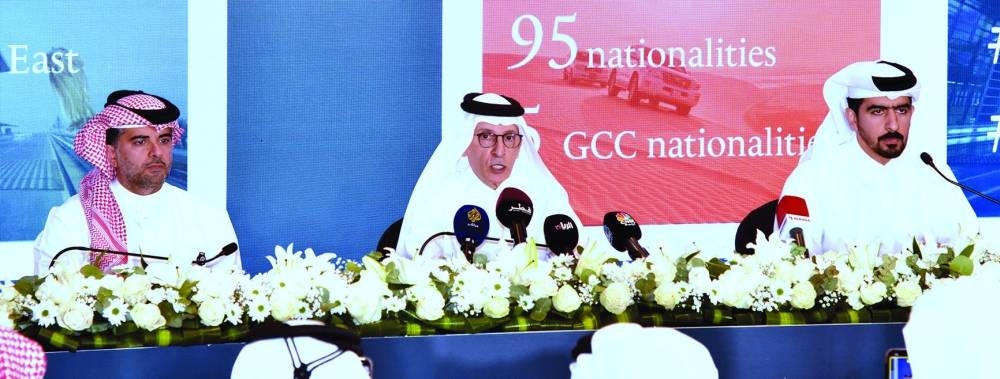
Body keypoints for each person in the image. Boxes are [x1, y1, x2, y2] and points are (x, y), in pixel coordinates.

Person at [778, 60, 978, 255]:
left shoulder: (933, 172)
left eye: (901, 110)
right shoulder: (811, 178)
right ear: (852, 117)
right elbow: (796, 260)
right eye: (878, 111)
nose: (893, 124)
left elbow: (969, 245)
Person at [33, 90, 241, 274]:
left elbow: (231, 296)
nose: (157, 152)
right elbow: (52, 297)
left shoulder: (207, 216)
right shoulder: (71, 218)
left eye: (164, 140)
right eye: (140, 141)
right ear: (111, 152)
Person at [395, 92, 589, 260]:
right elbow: (418, 262)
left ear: (520, 144)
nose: (499, 151)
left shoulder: (545, 194)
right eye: (486, 136)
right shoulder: (440, 194)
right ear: (465, 142)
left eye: (509, 138)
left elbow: (577, 254)